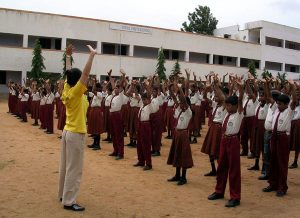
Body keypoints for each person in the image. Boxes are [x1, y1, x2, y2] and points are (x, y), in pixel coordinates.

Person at [58, 44, 96, 211]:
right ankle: (69, 201)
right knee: (74, 169)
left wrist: (68, 57)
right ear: (78, 81)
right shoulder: (76, 92)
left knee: (65, 166)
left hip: (68, 131)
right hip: (75, 133)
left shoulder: (68, 88)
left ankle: (63, 194)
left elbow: (69, 73)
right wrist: (92, 55)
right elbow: (86, 74)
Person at [208, 76, 244, 208]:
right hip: (224, 140)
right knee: (221, 166)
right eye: (226, 105)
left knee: (233, 170)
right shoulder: (226, 113)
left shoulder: (239, 113)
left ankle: (235, 197)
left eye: (230, 105)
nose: (227, 107)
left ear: (235, 106)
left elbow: (240, 100)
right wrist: (215, 85)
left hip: (233, 141)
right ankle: (219, 191)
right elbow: (221, 96)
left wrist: (240, 87)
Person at [262, 81, 297, 197]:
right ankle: (273, 183)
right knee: (273, 161)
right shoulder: (277, 109)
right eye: (278, 103)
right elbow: (268, 98)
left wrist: (292, 87)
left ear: (287, 104)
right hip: (274, 136)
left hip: (283, 138)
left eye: (281, 104)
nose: (278, 105)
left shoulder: (289, 111)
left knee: (282, 163)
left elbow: (294, 101)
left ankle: (282, 187)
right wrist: (266, 85)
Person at [167, 80, 193, 186]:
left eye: (183, 103)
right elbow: (174, 98)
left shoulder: (188, 112)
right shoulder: (179, 109)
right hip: (177, 134)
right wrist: (169, 89)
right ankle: (177, 175)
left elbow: (183, 100)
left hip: (183, 135)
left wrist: (180, 89)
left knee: (183, 156)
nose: (180, 104)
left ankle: (183, 177)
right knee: (177, 154)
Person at [201, 75, 226, 176]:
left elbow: (222, 97)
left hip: (219, 129)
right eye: (214, 96)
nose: (215, 97)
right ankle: (213, 169)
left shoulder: (225, 105)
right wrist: (206, 89)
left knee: (218, 151)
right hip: (213, 128)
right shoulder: (216, 104)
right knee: (210, 150)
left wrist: (216, 86)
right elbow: (204, 97)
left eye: (216, 96)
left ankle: (220, 170)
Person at [108, 70, 126, 160]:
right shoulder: (113, 95)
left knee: (119, 134)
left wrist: (123, 75)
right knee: (113, 134)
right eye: (115, 88)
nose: (115, 89)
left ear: (120, 89)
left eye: (117, 88)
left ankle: (120, 153)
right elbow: (112, 83)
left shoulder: (121, 96)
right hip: (111, 115)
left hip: (117, 115)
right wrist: (109, 75)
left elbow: (122, 84)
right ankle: (115, 150)